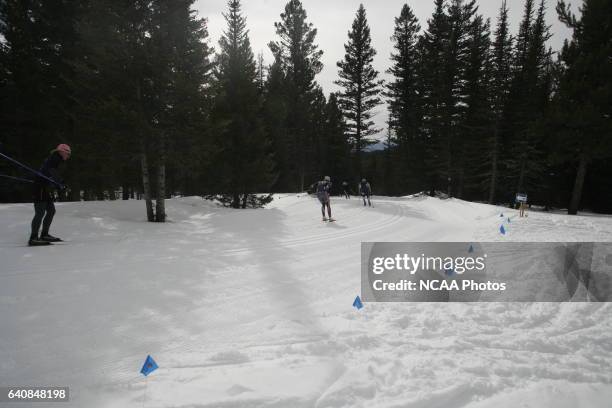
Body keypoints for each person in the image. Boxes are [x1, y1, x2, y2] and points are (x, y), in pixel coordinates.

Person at [29, 144, 71, 246]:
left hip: (45, 187)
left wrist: (59, 185)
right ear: (61, 151)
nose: (68, 156)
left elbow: (50, 175)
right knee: (40, 212)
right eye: (67, 153)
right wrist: (61, 183)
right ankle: (33, 238)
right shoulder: (55, 159)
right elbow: (52, 172)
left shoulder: (56, 159)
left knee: (51, 211)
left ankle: (44, 234)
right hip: (40, 188)